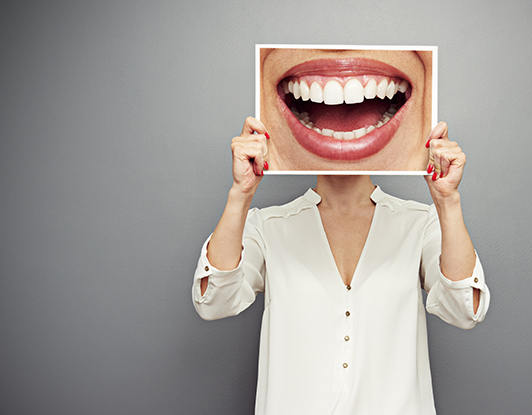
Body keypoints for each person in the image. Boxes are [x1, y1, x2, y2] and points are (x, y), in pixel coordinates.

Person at [192, 117, 490, 414]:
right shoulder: (268, 226)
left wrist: (447, 200)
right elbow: (214, 301)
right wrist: (240, 193)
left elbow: (464, 309)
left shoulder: (420, 222)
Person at [259, 47, 434, 171]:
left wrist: (446, 199)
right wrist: (241, 194)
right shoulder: (260, 219)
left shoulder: (427, 216)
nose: (341, 44)